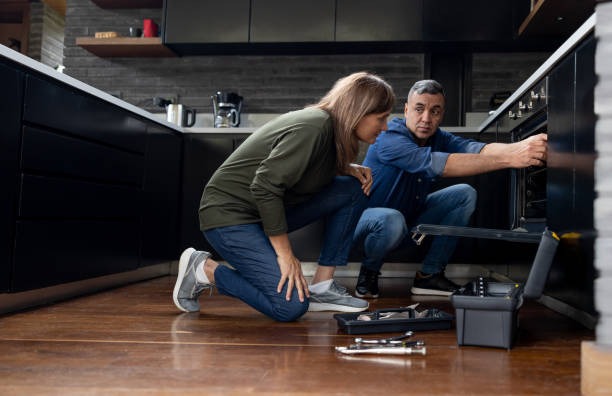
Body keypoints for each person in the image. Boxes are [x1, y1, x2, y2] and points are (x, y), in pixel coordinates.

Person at [173, 71, 395, 321]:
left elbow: (302, 169)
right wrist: (286, 255)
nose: (385, 126)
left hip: (257, 213)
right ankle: (204, 270)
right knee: (290, 307)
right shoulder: (315, 126)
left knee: (353, 187)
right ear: (358, 111)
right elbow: (265, 186)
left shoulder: (330, 134)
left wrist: (345, 167)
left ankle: (321, 287)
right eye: (381, 117)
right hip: (228, 216)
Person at [352, 79, 547, 297]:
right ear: (406, 110)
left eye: (435, 111)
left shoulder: (437, 137)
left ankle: (429, 276)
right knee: (390, 218)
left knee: (463, 194)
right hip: (369, 222)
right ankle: (369, 271)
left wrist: (518, 147)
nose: (426, 119)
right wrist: (510, 159)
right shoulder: (389, 138)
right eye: (419, 109)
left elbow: (475, 148)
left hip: (409, 217)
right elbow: (434, 165)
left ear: (441, 114)